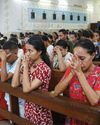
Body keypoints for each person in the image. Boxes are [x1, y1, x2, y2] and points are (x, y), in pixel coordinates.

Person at [50, 39, 100, 125]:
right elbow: (56, 92)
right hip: (73, 115)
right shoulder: (72, 69)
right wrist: (71, 74)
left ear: (92, 55)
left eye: (82, 58)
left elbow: (94, 100)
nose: (78, 62)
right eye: (75, 58)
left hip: (92, 118)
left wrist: (80, 74)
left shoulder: (98, 73)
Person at [11, 36, 53, 125]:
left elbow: (26, 89)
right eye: (26, 50)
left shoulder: (44, 69)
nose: (27, 54)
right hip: (29, 107)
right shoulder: (29, 65)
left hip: (40, 109)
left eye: (31, 51)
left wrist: (25, 66)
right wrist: (19, 63)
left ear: (40, 52)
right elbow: (14, 84)